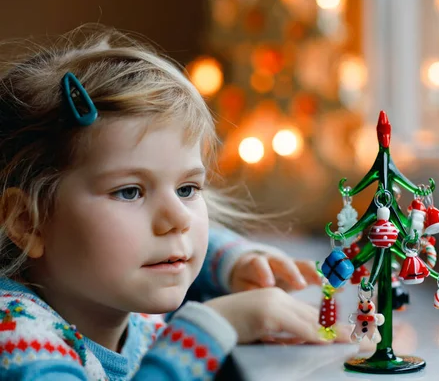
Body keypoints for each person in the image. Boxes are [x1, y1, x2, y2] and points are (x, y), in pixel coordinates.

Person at [0, 25, 331, 381]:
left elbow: (185, 251)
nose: (178, 220)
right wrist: (215, 326)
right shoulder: (18, 338)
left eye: (187, 189)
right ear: (26, 222)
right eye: (130, 192)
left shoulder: (123, 283)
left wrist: (236, 263)